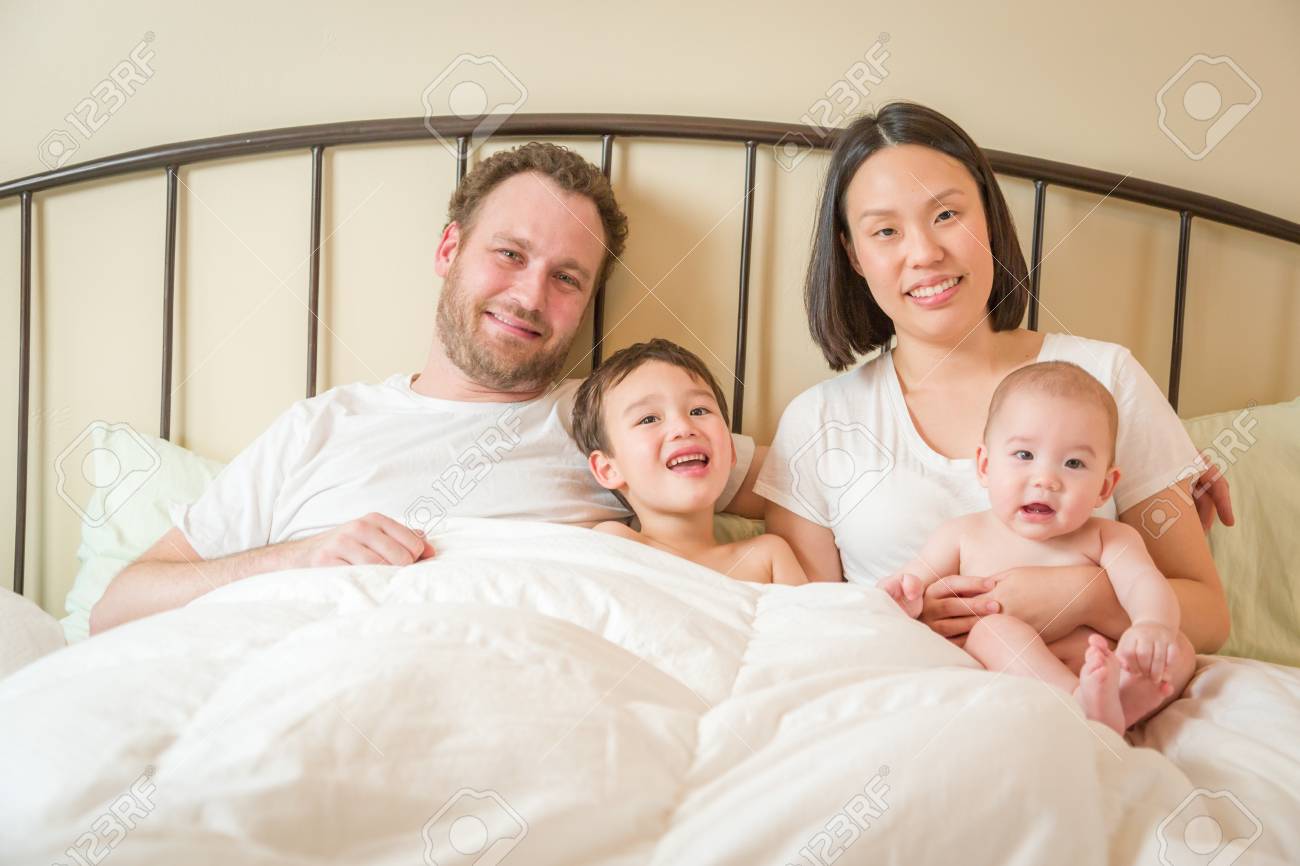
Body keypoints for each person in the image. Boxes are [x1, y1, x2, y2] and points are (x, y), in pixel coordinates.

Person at [92, 144, 767, 634]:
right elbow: (116, 609)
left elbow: (812, 481)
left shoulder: (617, 420)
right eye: (509, 254)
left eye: (567, 278)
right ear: (450, 251)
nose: (530, 296)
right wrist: (296, 560)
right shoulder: (320, 427)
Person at [755, 102, 1231, 721]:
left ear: (989, 218)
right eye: (885, 231)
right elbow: (816, 632)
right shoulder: (817, 422)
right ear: (851, 254)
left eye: (947, 214)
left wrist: (1078, 594)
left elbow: (1209, 618)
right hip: (916, 710)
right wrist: (909, 619)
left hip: (1113, 693)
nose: (924, 253)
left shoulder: (1105, 379)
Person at [882, 362, 1190, 735]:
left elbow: (1144, 584)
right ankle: (1078, 702)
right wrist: (907, 597)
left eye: (1074, 463)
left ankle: (1119, 701)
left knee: (1179, 646)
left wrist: (1152, 626)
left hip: (1098, 663)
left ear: (1105, 488)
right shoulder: (962, 534)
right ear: (984, 465)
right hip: (1017, 671)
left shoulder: (1109, 538)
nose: (1046, 480)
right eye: (1024, 455)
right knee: (990, 631)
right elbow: (910, 582)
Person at [572, 339, 807, 585]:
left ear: (730, 449)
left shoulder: (767, 556)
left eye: (698, 411)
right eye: (649, 418)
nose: (683, 427)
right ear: (608, 469)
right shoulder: (615, 542)